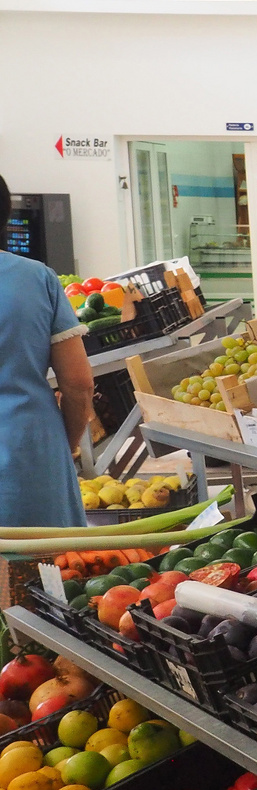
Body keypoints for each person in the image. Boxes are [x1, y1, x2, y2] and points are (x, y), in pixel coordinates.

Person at [0, 175, 93, 527]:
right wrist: (66, 446)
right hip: (29, 452)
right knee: (47, 572)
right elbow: (78, 382)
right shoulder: (36, 279)